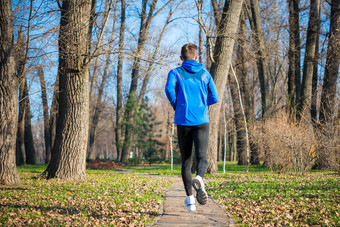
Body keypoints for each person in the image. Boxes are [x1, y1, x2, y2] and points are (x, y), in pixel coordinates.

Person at [165, 43, 219, 211]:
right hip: (202, 120)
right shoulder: (205, 74)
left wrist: (177, 104)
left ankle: (190, 200)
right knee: (202, 156)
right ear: (196, 57)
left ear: (181, 58)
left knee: (186, 161)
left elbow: (168, 90)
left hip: (183, 120)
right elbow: (214, 97)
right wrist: (202, 105)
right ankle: (200, 178)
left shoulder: (175, 73)